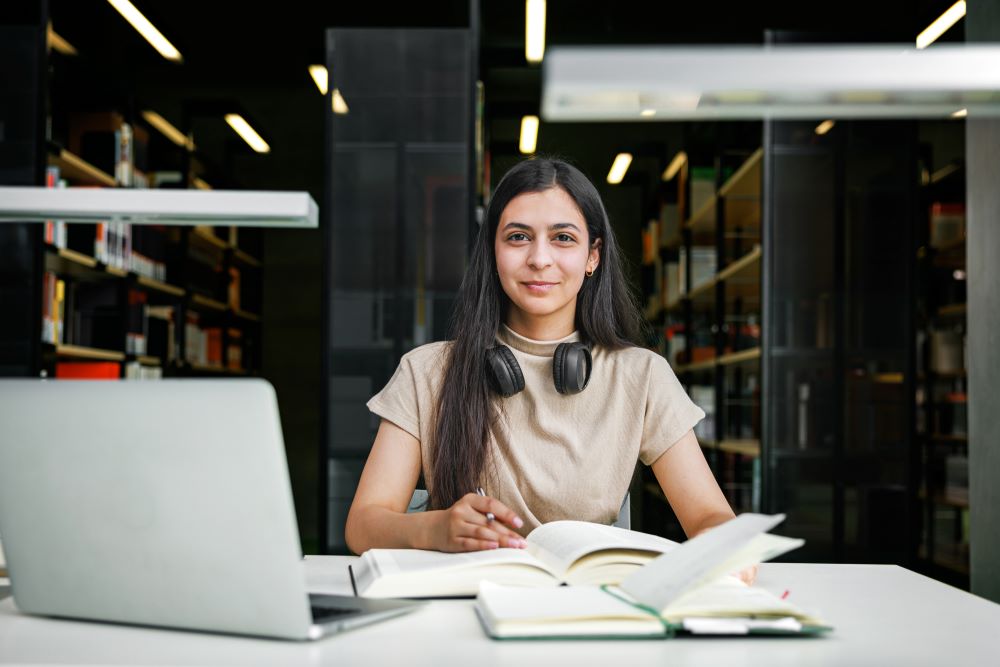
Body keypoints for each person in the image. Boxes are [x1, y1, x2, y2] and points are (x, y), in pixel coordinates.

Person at [345, 157, 755, 584]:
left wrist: (726, 548)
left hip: (588, 612)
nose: (540, 259)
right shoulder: (426, 371)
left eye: (563, 238)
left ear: (592, 256)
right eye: (518, 237)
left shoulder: (642, 375)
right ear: (493, 251)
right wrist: (435, 528)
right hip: (465, 607)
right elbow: (363, 524)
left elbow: (709, 515)